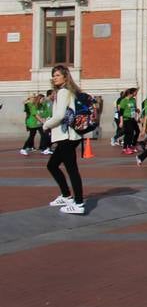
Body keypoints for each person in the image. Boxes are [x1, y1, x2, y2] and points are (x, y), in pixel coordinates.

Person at [43, 65, 87, 215]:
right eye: (53, 75)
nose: (54, 77)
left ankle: (79, 203)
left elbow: (60, 115)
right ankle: (67, 195)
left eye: (57, 75)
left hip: (66, 136)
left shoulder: (63, 92)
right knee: (52, 165)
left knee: (72, 170)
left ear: (65, 77)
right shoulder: (69, 92)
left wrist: (46, 125)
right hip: (70, 136)